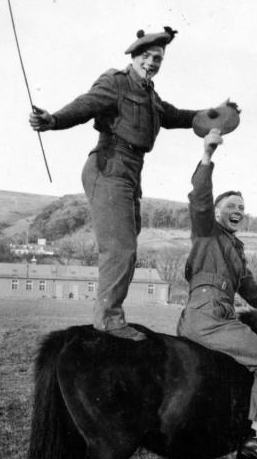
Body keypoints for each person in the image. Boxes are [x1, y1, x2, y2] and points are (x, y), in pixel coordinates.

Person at [30, 27, 203, 340]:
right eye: (147, 57)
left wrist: (208, 116)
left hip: (131, 171)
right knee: (120, 248)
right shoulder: (116, 82)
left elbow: (173, 115)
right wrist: (53, 120)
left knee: (127, 247)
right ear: (134, 57)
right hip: (109, 165)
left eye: (158, 59)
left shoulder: (150, 94)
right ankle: (109, 320)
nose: (152, 63)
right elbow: (85, 105)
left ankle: (110, 314)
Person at [177, 129, 257, 459]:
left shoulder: (235, 250)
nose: (238, 211)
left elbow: (253, 290)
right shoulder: (206, 232)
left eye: (241, 208)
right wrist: (207, 156)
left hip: (208, 316)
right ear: (216, 212)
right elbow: (199, 199)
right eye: (231, 205)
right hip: (210, 318)